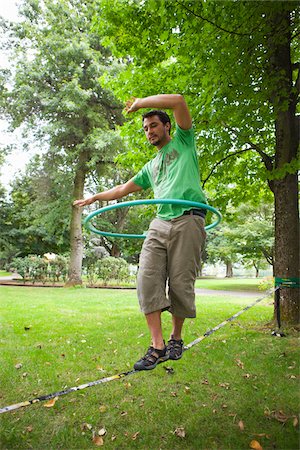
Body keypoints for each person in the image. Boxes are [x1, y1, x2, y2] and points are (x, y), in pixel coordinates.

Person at [74, 94, 207, 371]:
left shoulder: (184, 142)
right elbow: (122, 189)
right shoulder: (151, 167)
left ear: (167, 126)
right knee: (146, 279)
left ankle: (175, 338)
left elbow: (179, 101)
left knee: (181, 283)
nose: (150, 132)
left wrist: (141, 104)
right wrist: (95, 197)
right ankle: (157, 346)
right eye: (146, 128)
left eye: (154, 125)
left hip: (188, 219)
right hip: (161, 221)